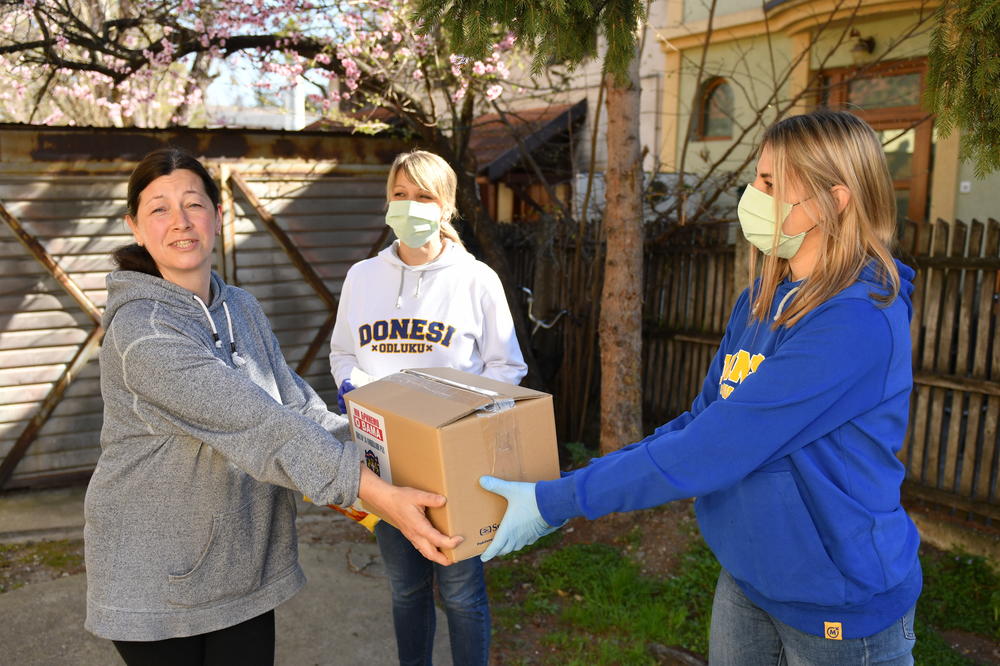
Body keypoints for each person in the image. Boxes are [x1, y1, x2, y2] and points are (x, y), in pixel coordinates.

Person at [479, 110, 922, 665]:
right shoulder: (760, 300)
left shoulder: (855, 323)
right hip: (750, 573)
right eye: (756, 178)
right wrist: (571, 483)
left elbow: (714, 448)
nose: (751, 194)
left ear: (833, 201)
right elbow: (701, 420)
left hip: (839, 600)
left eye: (770, 183)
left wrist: (557, 503)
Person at [85, 147, 461, 665]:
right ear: (135, 226)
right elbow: (261, 426)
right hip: (157, 581)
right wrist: (376, 493)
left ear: (218, 215)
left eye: (193, 204)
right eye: (159, 208)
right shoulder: (143, 333)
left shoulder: (240, 307)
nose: (180, 222)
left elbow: (299, 409)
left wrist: (402, 459)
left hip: (242, 566)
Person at [330, 149, 527, 665]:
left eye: (423, 196)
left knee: (460, 591)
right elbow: (343, 351)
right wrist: (352, 387)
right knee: (405, 588)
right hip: (383, 460)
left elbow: (507, 366)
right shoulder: (362, 277)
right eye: (400, 194)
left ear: (446, 207)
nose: (410, 206)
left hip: (453, 463)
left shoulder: (475, 279)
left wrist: (462, 419)